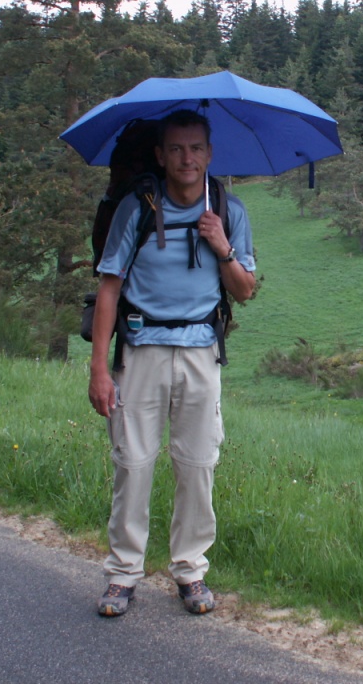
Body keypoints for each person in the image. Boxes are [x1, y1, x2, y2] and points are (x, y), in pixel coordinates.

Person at [88, 109, 256, 617]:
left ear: (209, 153)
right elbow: (109, 288)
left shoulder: (228, 209)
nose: (188, 158)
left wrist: (221, 245)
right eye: (177, 149)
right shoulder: (136, 208)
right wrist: (98, 369)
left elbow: (245, 290)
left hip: (202, 352)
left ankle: (190, 571)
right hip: (141, 352)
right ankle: (122, 575)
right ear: (160, 155)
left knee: (198, 465)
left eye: (197, 148)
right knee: (133, 465)